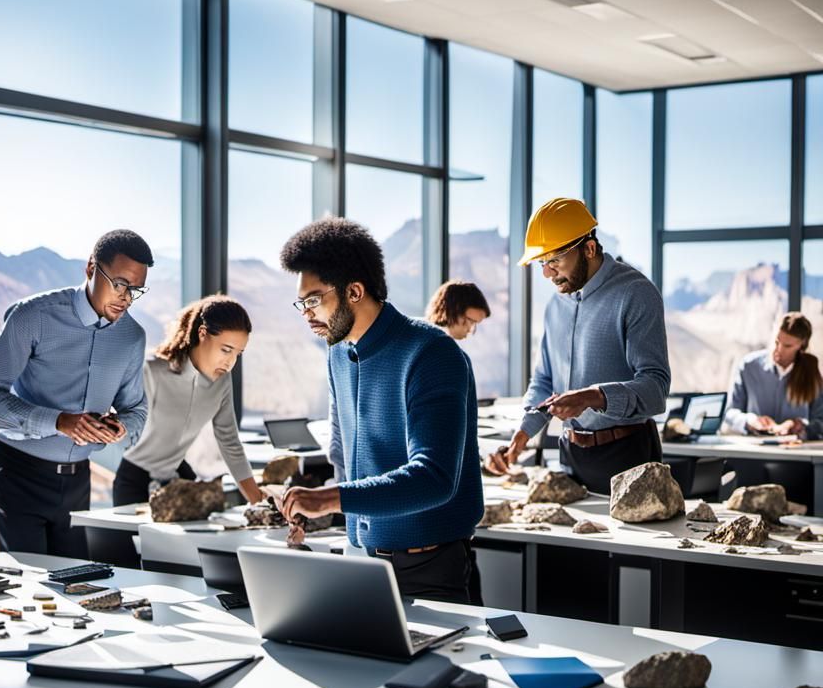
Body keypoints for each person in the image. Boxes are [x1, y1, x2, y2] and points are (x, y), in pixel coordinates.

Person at [275, 217, 483, 604]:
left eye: (314, 299)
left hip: (430, 569)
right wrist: (323, 509)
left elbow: (434, 478)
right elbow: (342, 449)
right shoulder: (338, 352)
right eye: (301, 301)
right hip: (363, 559)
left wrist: (330, 498)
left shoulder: (432, 353)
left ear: (354, 290)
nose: (306, 312)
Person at [0, 229, 152, 555]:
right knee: (28, 586)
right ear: (91, 268)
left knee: (72, 585)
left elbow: (136, 410)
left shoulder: (132, 338)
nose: (126, 297)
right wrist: (58, 421)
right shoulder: (33, 316)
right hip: (19, 475)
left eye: (135, 290)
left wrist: (120, 427)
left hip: (78, 481)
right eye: (120, 284)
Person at [485, 198, 670, 495]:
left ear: (589, 249)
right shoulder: (556, 305)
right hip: (570, 455)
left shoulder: (636, 293)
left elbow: (655, 390)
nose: (547, 273)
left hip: (629, 457)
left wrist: (594, 397)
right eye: (542, 262)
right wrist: (522, 434)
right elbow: (544, 381)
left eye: (555, 260)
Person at [113, 295, 265, 507]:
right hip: (135, 481)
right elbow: (125, 427)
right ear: (202, 333)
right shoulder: (152, 370)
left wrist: (257, 500)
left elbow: (229, 441)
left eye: (238, 354)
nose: (230, 362)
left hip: (180, 479)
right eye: (226, 350)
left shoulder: (222, 381)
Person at [725, 313, 823, 439]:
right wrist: (750, 421)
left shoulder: (811, 373)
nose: (779, 350)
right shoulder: (748, 366)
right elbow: (730, 413)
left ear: (802, 345)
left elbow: (820, 420)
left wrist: (800, 426)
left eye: (788, 346)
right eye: (777, 342)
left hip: (795, 453)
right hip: (754, 452)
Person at [425, 280, 490, 341]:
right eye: (471, 321)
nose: (470, 330)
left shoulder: (425, 336)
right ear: (453, 311)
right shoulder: (438, 345)